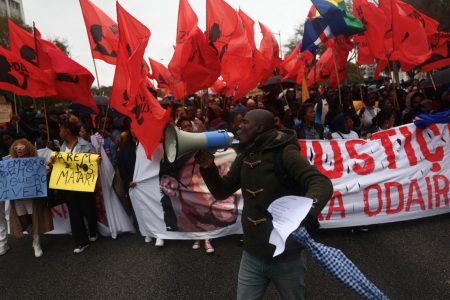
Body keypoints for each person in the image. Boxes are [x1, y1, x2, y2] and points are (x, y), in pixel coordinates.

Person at [197, 109, 333, 299]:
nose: (239, 126)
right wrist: (207, 166)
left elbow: (321, 183)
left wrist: (305, 214)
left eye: (244, 122)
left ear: (259, 127)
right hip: (252, 253)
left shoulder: (285, 152)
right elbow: (221, 191)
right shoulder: (245, 156)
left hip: (287, 256)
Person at [52, 115, 99, 254]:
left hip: (84, 185)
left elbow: (94, 165)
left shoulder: (86, 145)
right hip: (68, 186)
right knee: (74, 213)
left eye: (61, 130)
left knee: (88, 209)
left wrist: (96, 162)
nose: (59, 132)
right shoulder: (62, 148)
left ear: (67, 131)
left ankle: (92, 230)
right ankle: (81, 241)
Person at [8, 139, 54, 257]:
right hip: (17, 197)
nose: (18, 149)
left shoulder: (35, 161)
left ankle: (36, 242)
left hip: (31, 197)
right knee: (23, 219)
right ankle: (33, 231)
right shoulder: (10, 163)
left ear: (28, 148)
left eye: (22, 147)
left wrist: (49, 164)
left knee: (34, 217)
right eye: (16, 148)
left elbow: (45, 170)